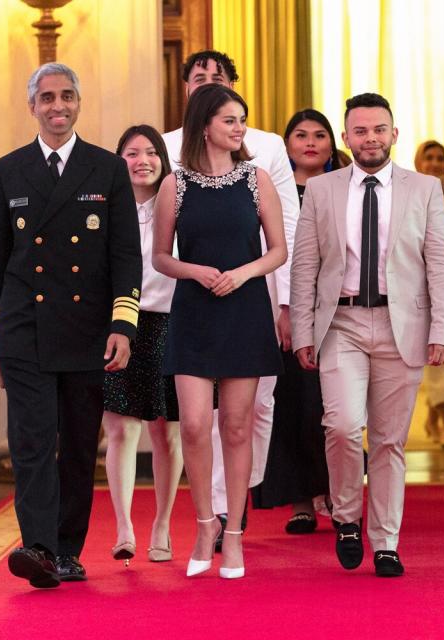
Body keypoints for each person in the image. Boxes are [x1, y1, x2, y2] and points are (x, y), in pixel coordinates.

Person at [0, 63, 142, 588]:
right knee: (31, 442)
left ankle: (68, 549)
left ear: (79, 103)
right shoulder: (8, 170)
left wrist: (123, 324)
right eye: (47, 97)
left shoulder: (106, 169)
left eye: (67, 96)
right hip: (23, 325)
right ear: (32, 106)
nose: (58, 105)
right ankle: (40, 549)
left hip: (87, 327)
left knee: (78, 445)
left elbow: (125, 254)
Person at [291, 93, 444, 577]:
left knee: (389, 441)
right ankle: (346, 516)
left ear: (394, 134)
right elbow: (306, 265)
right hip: (340, 323)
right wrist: (302, 328)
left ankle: (386, 541)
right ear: (346, 138)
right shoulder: (322, 190)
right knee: (341, 426)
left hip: (400, 325)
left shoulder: (424, 188)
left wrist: (443, 328)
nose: (370, 138)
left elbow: (440, 265)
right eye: (360, 131)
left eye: (379, 129)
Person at [162, 50, 299, 544]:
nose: (239, 128)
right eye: (198, 78)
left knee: (246, 419)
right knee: (196, 424)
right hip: (190, 305)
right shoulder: (171, 164)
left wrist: (278, 299)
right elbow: (155, 246)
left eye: (241, 119)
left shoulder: (262, 159)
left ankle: (231, 517)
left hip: (248, 301)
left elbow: (284, 238)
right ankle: (209, 518)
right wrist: (191, 275)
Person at [251, 109, 338, 534]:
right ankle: (300, 501)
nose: (310, 142)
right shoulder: (273, 190)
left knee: (332, 409)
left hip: (337, 312)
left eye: (319, 135)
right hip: (282, 312)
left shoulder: (346, 187)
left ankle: (338, 494)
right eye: (300, 135)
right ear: (285, 145)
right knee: (291, 408)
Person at [103, 125, 183, 565]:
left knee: (167, 432)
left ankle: (163, 524)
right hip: (121, 325)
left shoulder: (180, 206)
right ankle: (124, 527)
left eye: (151, 152)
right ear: (119, 160)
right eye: (131, 153)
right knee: (120, 428)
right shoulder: (105, 209)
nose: (142, 161)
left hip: (171, 324)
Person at [414, 139, 444, 446]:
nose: (435, 163)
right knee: (432, 358)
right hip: (416, 286)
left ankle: (437, 413)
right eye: (429, 157)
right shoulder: (409, 193)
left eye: (440, 157)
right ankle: (441, 418)